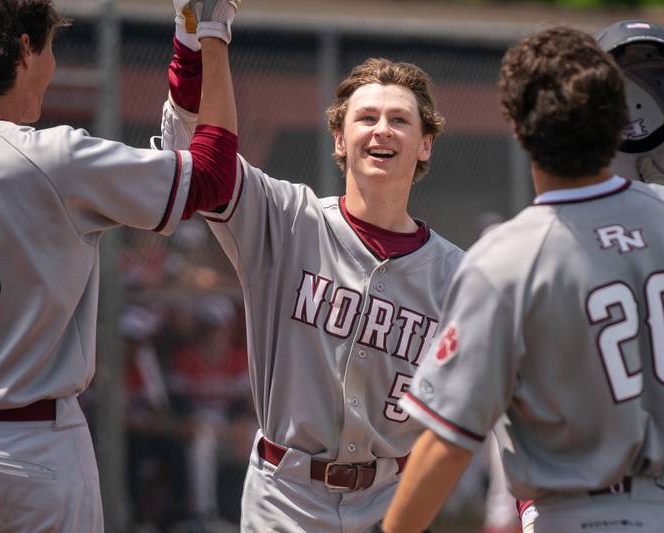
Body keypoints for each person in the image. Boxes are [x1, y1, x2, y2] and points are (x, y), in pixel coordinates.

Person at [382, 25, 664, 533]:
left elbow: (448, 442)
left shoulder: (507, 255)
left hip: (578, 515)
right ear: (617, 120)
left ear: (519, 129)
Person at [0, 0, 239, 531]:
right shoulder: (51, 157)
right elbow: (210, 177)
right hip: (28, 448)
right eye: (49, 47)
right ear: (26, 50)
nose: (52, 63)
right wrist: (208, 35)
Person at [159, 2, 464, 531]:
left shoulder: (457, 275)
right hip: (285, 498)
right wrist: (201, 34)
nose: (382, 130)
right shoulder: (285, 218)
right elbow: (195, 153)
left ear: (425, 144)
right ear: (341, 139)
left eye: (400, 120)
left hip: (392, 501)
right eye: (366, 118)